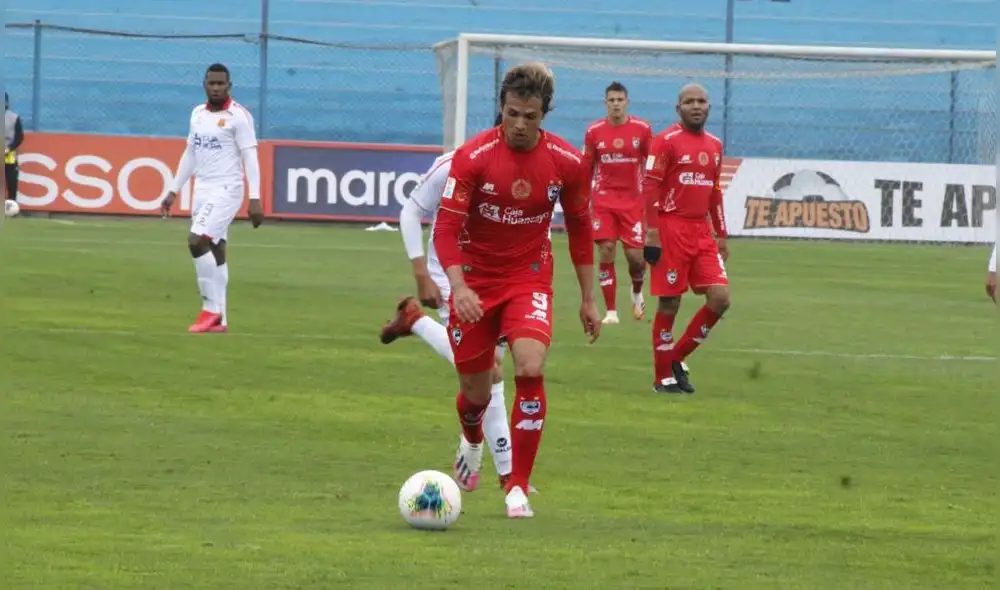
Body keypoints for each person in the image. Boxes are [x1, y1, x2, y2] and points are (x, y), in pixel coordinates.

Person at [432, 62, 600, 519]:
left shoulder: (567, 162)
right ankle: (471, 438)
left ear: (545, 113)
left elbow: (582, 229)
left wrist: (589, 297)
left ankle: (517, 486)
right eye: (512, 114)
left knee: (529, 364)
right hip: (476, 282)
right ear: (501, 109)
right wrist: (460, 286)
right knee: (477, 390)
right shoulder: (474, 156)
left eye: (531, 115)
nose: (520, 125)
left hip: (528, 277)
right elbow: (445, 229)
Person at [382, 113, 532, 493]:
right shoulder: (456, 164)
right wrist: (422, 274)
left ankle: (413, 320)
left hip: (504, 280)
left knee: (490, 371)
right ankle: (505, 471)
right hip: (454, 279)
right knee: (492, 370)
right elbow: (412, 210)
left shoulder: (535, 170)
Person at [161, 63, 264, 333]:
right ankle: (222, 321)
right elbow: (190, 154)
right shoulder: (197, 114)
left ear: (229, 86)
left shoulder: (238, 117)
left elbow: (250, 157)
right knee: (216, 250)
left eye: (221, 84)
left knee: (196, 240)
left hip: (227, 189)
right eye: (211, 83)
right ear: (204, 85)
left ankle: (210, 309)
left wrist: (255, 198)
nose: (216, 88)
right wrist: (174, 189)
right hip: (202, 189)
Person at [642, 83, 731, 394]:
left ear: (709, 107)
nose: (696, 106)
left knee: (720, 298)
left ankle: (675, 358)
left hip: (702, 231)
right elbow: (650, 187)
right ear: (678, 108)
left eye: (702, 101)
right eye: (689, 101)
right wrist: (651, 232)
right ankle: (662, 378)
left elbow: (715, 192)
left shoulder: (715, 145)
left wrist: (721, 233)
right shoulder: (665, 141)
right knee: (670, 302)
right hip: (670, 227)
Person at [582, 82, 653, 324]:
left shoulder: (642, 130)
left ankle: (636, 290)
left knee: (635, 258)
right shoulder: (594, 131)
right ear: (605, 103)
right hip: (603, 201)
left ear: (627, 102)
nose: (615, 104)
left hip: (633, 202)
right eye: (611, 100)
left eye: (619, 100)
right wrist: (582, 199)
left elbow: (651, 165)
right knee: (606, 250)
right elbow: (587, 168)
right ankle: (611, 311)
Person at [5, 93, 24, 203]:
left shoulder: (14, 117)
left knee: (11, 181)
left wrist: (9, 148)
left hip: (9, 155)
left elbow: (19, 137)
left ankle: (11, 206)